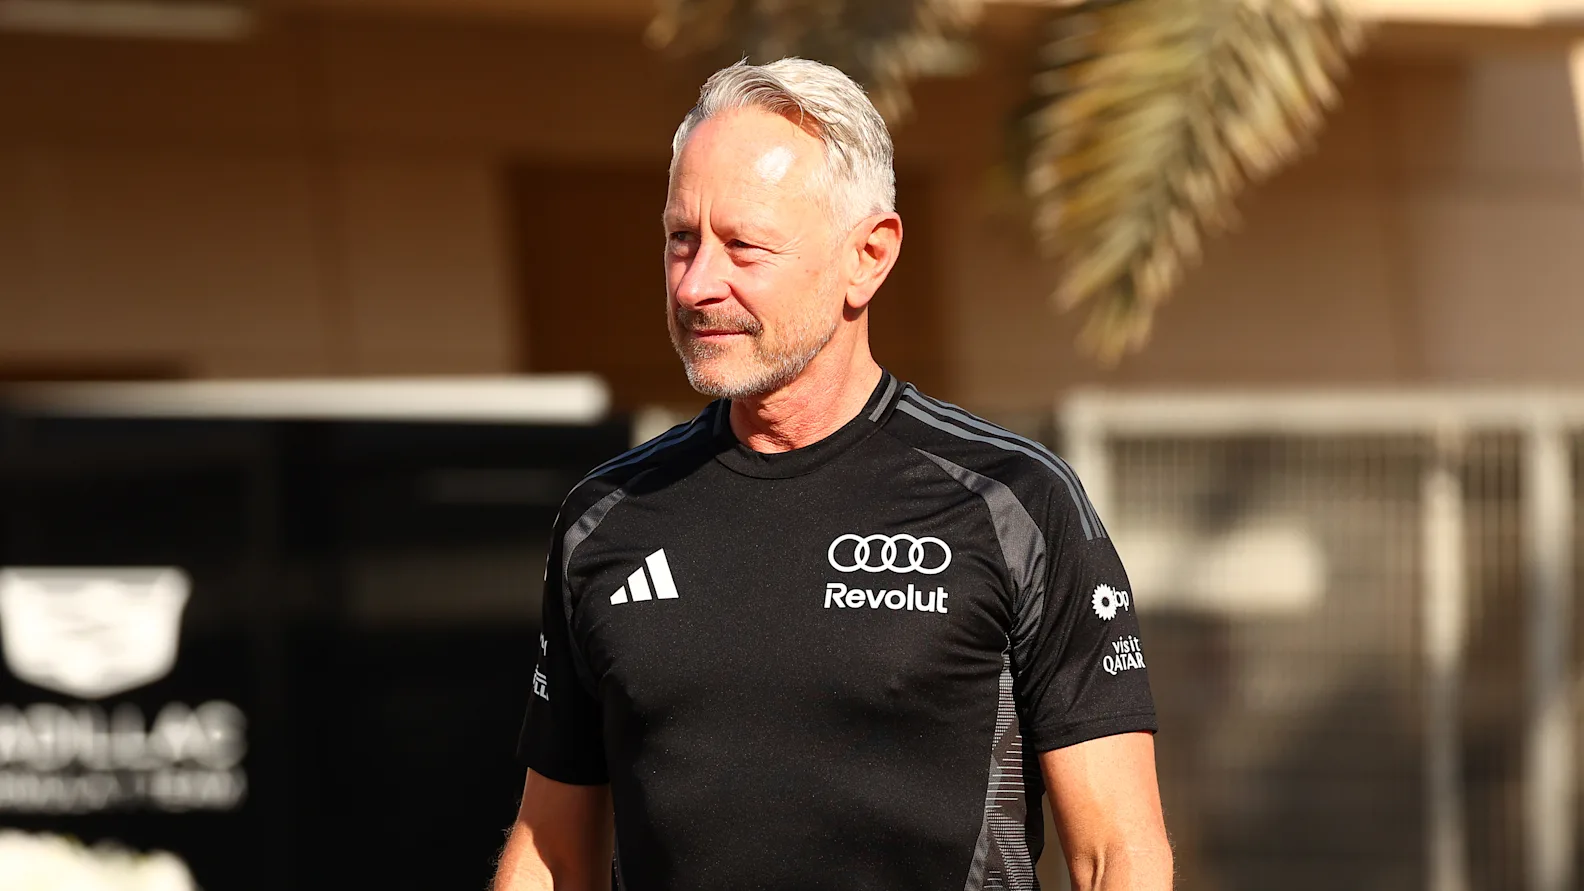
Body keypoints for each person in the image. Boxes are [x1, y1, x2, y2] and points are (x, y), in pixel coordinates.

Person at [491, 57, 1172, 891]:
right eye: (681, 239)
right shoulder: (606, 516)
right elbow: (552, 853)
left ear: (868, 256)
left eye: (744, 246)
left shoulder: (1015, 503)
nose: (697, 284)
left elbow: (1116, 855)